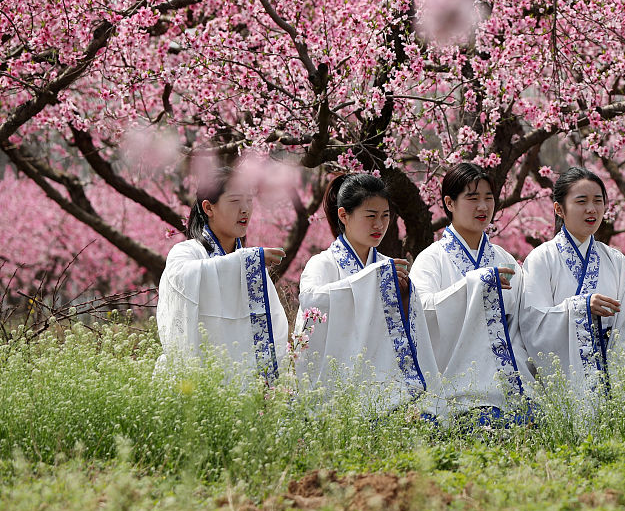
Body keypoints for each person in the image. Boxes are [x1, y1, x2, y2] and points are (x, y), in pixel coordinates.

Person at [295, 173, 437, 413]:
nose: (379, 225)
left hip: (385, 384)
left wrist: (404, 295)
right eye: (370, 216)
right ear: (344, 215)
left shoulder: (386, 267)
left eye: (385, 216)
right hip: (338, 385)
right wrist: (371, 282)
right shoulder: (323, 264)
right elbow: (311, 304)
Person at [409, 163, 533, 424]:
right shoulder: (431, 259)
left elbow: (522, 324)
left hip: (506, 381)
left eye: (489, 198)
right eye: (472, 198)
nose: (483, 207)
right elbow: (422, 313)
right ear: (449, 203)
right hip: (453, 381)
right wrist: (474, 284)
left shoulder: (504, 258)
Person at [519, 167, 625, 406]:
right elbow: (533, 326)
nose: (592, 209)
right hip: (563, 385)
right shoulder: (541, 259)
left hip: (610, 377)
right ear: (559, 209)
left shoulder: (616, 261)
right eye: (581, 201)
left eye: (598, 201)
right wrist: (579, 308)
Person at [156, 166, 289, 386]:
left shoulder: (249, 261)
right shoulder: (187, 252)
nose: (245, 209)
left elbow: (273, 320)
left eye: (249, 200)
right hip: (198, 381)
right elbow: (181, 276)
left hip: (244, 381)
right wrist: (246, 261)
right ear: (208, 207)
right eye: (235, 201)